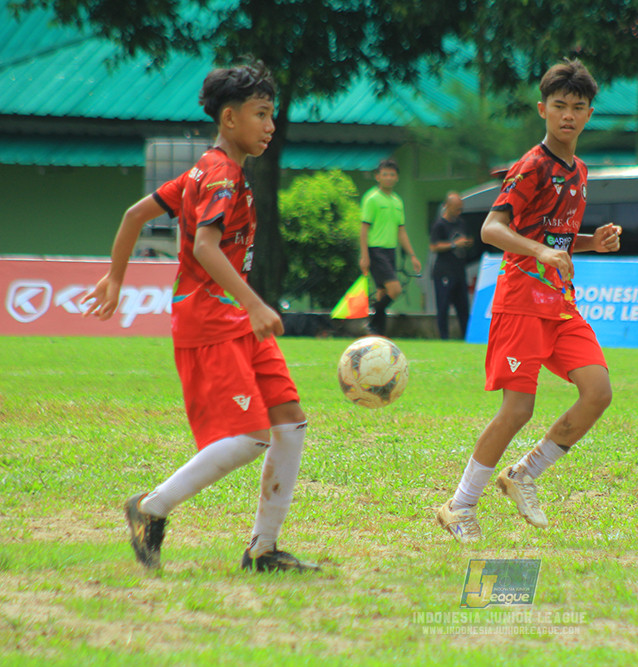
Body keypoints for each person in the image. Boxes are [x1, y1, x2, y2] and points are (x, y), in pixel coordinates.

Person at [84, 61, 318, 573]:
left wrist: (118, 277)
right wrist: (255, 303)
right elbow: (208, 248)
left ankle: (264, 550)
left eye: (272, 115)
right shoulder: (220, 175)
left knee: (290, 423)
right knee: (252, 436)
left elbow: (133, 216)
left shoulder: (202, 169)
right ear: (229, 118)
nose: (270, 125)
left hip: (234, 319)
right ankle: (150, 508)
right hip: (211, 323)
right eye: (261, 114)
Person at [435, 59, 623, 543]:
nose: (567, 115)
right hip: (521, 300)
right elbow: (492, 229)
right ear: (542, 109)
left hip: (561, 303)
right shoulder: (532, 165)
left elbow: (552, 235)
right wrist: (542, 251)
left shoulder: (578, 170)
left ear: (588, 114)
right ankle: (459, 506)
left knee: (598, 392)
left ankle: (523, 474)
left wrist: (589, 243)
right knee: (517, 410)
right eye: (559, 106)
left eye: (577, 108)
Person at [359, 158, 422, 335]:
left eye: (392, 175)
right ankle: (372, 321)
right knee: (395, 289)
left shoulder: (397, 201)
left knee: (382, 292)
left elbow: (401, 231)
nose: (388, 178)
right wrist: (364, 256)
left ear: (397, 178)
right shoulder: (371, 199)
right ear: (377, 177)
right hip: (375, 250)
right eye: (384, 174)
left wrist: (412, 255)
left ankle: (378, 333)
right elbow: (364, 229)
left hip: (390, 251)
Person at [429, 191, 473, 339]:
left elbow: (466, 238)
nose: (459, 211)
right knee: (443, 307)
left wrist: (467, 243)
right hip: (443, 272)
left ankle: (466, 336)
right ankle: (443, 337)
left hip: (459, 271)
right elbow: (434, 246)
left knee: (463, 307)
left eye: (460, 208)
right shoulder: (439, 225)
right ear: (447, 206)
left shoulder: (461, 223)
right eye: (456, 208)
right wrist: (454, 244)